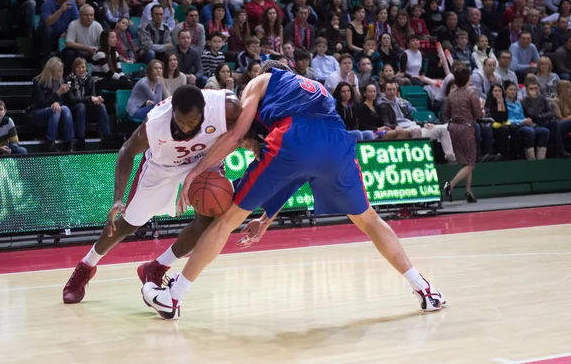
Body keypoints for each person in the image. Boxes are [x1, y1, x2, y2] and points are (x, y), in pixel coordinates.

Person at [141, 61, 446, 319]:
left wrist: (196, 172)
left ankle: (173, 297)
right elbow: (301, 170)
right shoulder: (315, 87)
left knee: (227, 221)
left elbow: (238, 135)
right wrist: (269, 215)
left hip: (293, 136)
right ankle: (425, 290)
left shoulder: (260, 81)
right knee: (369, 220)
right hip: (338, 143)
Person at [62, 85, 244, 304]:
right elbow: (126, 151)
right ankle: (86, 266)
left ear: (204, 111)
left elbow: (242, 132)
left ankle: (156, 267)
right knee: (128, 224)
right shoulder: (155, 124)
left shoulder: (227, 107)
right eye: (180, 121)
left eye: (192, 122)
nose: (186, 128)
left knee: (209, 218)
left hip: (204, 161)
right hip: (163, 165)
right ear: (172, 111)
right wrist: (118, 198)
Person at [442, 68, 483, 203]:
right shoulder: (472, 93)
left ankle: (468, 191)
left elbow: (446, 112)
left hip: (453, 127)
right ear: (468, 79)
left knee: (465, 161)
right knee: (471, 163)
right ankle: (451, 185)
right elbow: (478, 114)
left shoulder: (451, 94)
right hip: (466, 127)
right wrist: (481, 108)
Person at [27, 57, 75, 152]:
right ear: (50, 70)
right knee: (55, 110)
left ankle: (69, 142)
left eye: (61, 71)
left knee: (65, 109)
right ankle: (50, 142)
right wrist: (58, 94)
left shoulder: (60, 82)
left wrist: (58, 100)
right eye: (57, 71)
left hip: (55, 115)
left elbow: (61, 103)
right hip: (37, 113)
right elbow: (42, 103)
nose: (59, 74)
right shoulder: (38, 82)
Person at [64, 58, 111, 150]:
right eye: (78, 67)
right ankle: (81, 140)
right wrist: (90, 98)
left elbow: (92, 97)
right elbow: (73, 100)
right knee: (81, 106)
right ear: (74, 68)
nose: (81, 70)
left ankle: (107, 138)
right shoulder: (68, 79)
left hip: (87, 109)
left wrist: (97, 99)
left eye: (83, 67)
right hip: (73, 110)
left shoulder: (90, 79)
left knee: (101, 106)